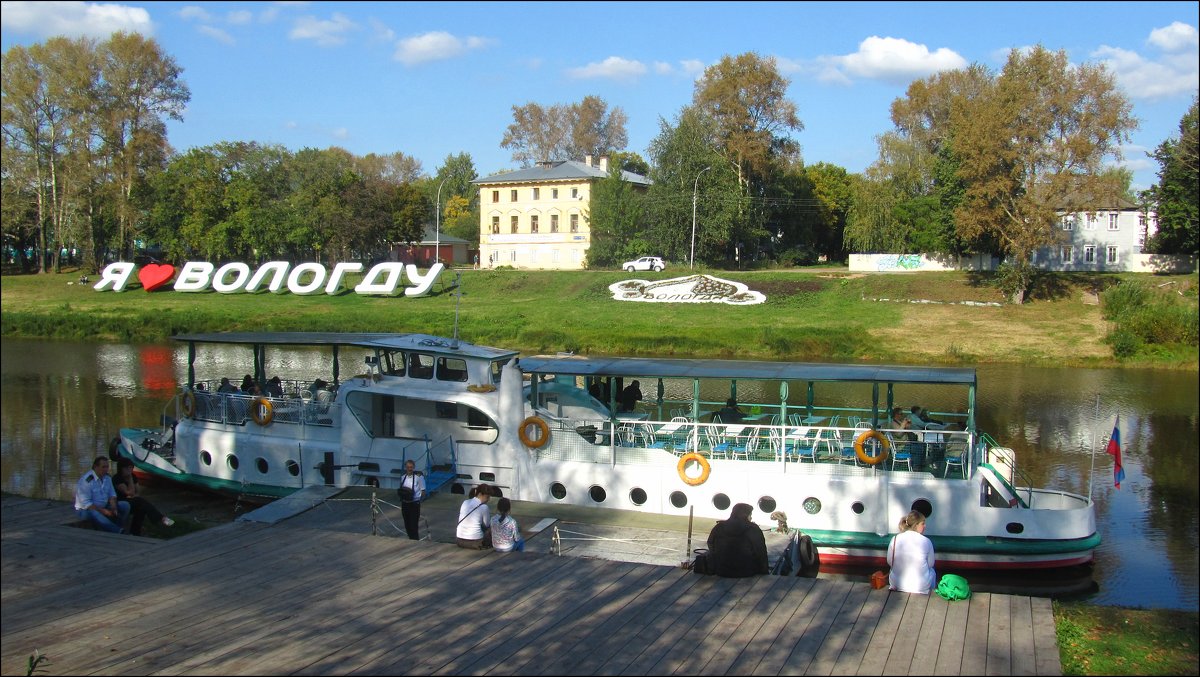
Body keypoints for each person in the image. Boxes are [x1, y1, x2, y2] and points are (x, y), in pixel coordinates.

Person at [113, 457, 174, 536]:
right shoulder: (117, 478)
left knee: (141, 508)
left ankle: (135, 532)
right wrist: (130, 479)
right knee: (140, 501)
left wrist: (134, 495)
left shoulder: (133, 476)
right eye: (128, 468)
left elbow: (138, 492)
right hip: (121, 501)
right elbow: (129, 493)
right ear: (122, 468)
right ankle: (160, 518)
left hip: (132, 501)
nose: (130, 471)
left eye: (131, 468)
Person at [706, 503, 768, 578]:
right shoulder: (753, 529)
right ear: (745, 515)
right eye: (750, 515)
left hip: (722, 570)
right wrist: (764, 570)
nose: (751, 518)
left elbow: (710, 543)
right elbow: (760, 551)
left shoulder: (719, 527)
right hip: (747, 571)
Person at [73, 456, 130, 533]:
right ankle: (118, 531)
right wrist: (105, 511)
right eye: (103, 467)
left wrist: (113, 506)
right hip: (85, 510)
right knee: (94, 512)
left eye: (107, 467)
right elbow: (87, 504)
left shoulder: (107, 478)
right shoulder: (86, 481)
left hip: (104, 506)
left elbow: (112, 494)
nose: (106, 469)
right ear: (95, 467)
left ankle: (118, 526)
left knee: (125, 505)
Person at [888, 510, 936, 594]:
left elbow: (890, 562)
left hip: (897, 583)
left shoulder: (895, 539)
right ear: (916, 525)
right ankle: (930, 593)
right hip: (920, 586)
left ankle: (894, 587)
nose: (925, 526)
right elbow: (930, 564)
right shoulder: (926, 541)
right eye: (923, 523)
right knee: (932, 571)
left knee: (892, 570)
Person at [456, 484, 492, 549]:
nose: (488, 500)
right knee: (491, 528)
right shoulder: (484, 507)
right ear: (480, 494)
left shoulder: (465, 502)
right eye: (487, 497)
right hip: (476, 541)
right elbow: (486, 525)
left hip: (459, 540)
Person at [398, 459, 426, 540]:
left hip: (414, 504)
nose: (409, 469)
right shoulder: (403, 477)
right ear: (405, 468)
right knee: (407, 524)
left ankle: (415, 540)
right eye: (408, 467)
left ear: (413, 468)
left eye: (411, 467)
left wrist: (419, 500)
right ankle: (410, 539)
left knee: (413, 525)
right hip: (405, 503)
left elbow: (423, 491)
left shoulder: (419, 477)